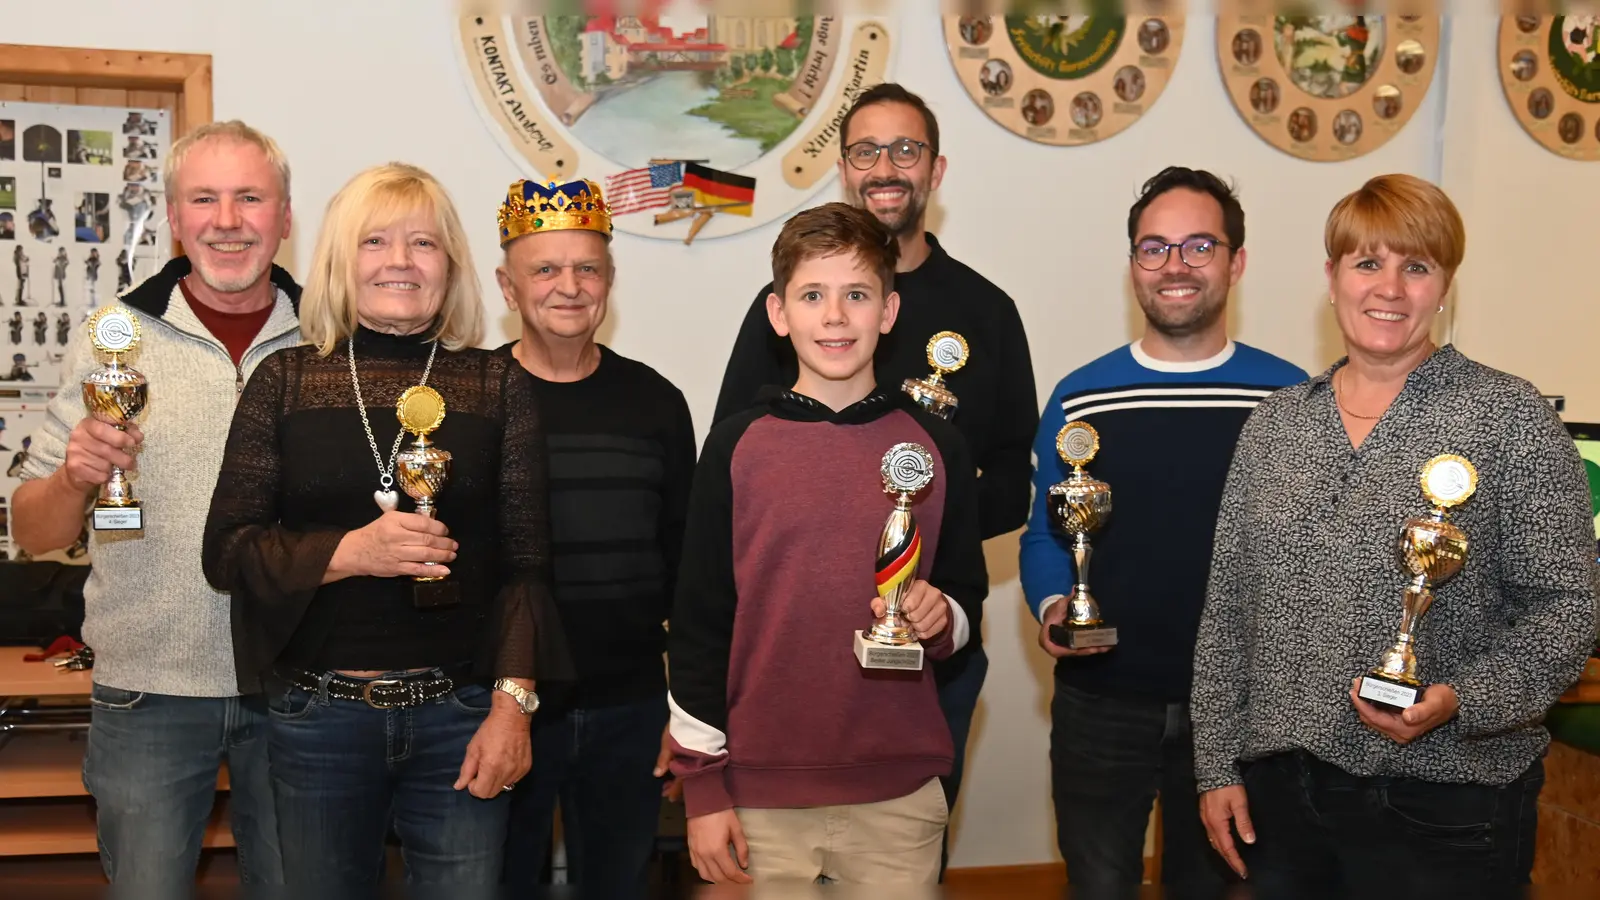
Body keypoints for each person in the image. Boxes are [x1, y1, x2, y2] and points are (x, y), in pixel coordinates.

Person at [1191, 174, 1598, 896]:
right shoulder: (1277, 425)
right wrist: (1217, 764)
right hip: (1283, 798)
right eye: (1367, 263)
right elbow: (1227, 609)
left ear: (1445, 285)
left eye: (1417, 266)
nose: (1391, 288)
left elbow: (1566, 608)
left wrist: (1462, 699)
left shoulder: (1508, 418)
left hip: (1444, 804)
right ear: (1332, 277)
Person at [202, 161, 571, 887]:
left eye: (423, 244)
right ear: (341, 262)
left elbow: (527, 567)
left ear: (451, 266)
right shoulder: (284, 381)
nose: (400, 262)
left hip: (463, 713)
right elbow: (228, 552)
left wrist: (513, 706)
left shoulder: (498, 384)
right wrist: (350, 552)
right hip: (319, 719)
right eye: (375, 242)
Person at [709, 83, 1036, 837]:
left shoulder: (987, 311)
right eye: (865, 151)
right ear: (844, 168)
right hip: (786, 650)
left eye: (905, 150)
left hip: (926, 644)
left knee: (908, 852)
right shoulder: (786, 305)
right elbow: (729, 471)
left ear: (936, 170)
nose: (885, 167)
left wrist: (911, 557)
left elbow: (1016, 477)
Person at [10, 120, 299, 886]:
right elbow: (31, 533)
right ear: (174, 217)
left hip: (302, 691)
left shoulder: (332, 337)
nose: (228, 220)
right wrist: (73, 479)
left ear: (285, 215)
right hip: (149, 690)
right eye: (203, 198)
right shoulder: (112, 339)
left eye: (250, 197)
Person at [670, 202, 987, 885]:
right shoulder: (735, 446)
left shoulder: (938, 446)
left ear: (889, 311)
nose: (835, 317)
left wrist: (943, 619)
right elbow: (700, 623)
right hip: (759, 798)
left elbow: (968, 600)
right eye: (813, 295)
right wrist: (702, 787)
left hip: (898, 796)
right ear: (779, 314)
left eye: (856, 295)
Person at [1020, 167, 1305, 895]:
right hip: (1102, 701)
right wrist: (1057, 606)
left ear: (1236, 262)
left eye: (1198, 245)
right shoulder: (1082, 398)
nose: (1174, 265)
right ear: (1133, 266)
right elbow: (1046, 535)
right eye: (1154, 248)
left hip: (1242, 714)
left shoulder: (1291, 400)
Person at [492, 177, 697, 895]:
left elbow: (687, 572)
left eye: (587, 268)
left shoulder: (657, 403)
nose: (568, 287)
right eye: (545, 269)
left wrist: (689, 713)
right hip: (502, 712)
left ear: (609, 280)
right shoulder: (471, 398)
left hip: (631, 712)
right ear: (508, 286)